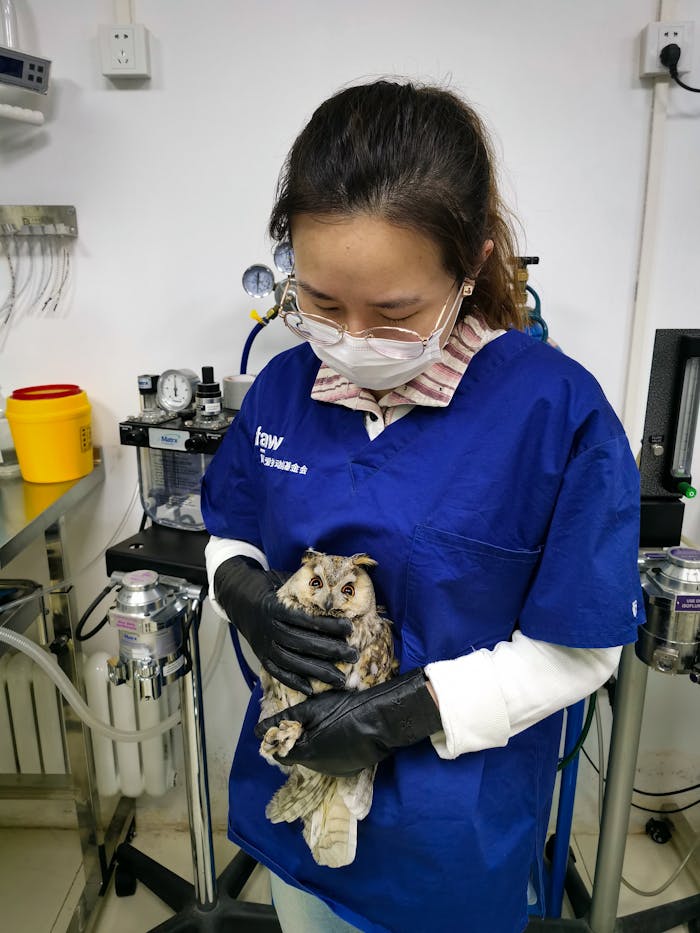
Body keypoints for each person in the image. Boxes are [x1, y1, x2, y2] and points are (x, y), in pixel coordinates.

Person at [201, 79, 644, 933]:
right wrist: (246, 594)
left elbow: (583, 650)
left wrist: (397, 712)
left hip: (448, 841)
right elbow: (230, 530)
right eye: (322, 304)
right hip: (298, 798)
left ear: (472, 266)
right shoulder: (285, 389)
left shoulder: (554, 412)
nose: (352, 335)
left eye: (395, 312)